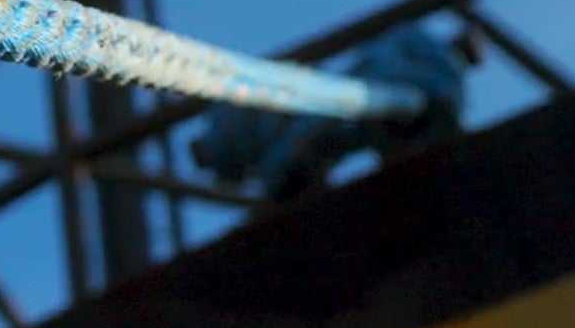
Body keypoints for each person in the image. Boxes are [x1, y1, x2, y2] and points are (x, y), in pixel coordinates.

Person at [189, 22, 484, 203]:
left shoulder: (440, 77)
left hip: (380, 111)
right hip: (363, 105)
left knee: (326, 137)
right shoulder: (419, 46)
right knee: (323, 135)